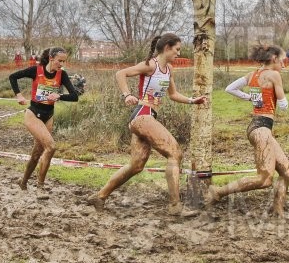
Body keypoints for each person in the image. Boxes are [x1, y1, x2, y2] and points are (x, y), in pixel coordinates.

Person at [87, 33, 208, 216]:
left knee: (136, 166)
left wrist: (193, 100)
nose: (178, 53)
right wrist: (127, 95)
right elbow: (121, 74)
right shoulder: (151, 65)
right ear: (167, 48)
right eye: (177, 49)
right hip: (143, 115)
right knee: (175, 153)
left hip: (147, 117)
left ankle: (100, 196)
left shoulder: (169, 69)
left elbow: (173, 94)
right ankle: (175, 206)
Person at [207, 45, 289, 216]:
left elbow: (230, 88)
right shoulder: (274, 75)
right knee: (264, 179)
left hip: (258, 127)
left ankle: (278, 210)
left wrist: (250, 97)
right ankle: (218, 192)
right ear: (274, 59)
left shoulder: (252, 74)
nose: (283, 65)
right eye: (282, 61)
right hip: (262, 130)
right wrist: (279, 94)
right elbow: (284, 105)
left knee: (286, 171)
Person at [9, 47, 80, 190]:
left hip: (48, 116)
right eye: (59, 61)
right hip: (33, 114)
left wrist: (59, 96)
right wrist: (19, 95)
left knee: (37, 153)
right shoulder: (36, 70)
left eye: (64, 61)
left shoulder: (62, 74)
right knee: (51, 147)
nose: (61, 64)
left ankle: (23, 182)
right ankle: (40, 187)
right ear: (51, 58)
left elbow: (75, 96)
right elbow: (13, 77)